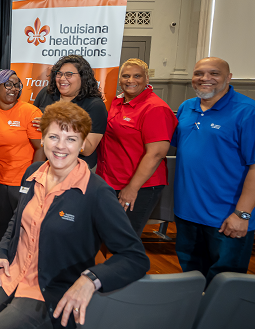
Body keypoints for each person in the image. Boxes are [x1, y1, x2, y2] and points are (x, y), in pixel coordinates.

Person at [0, 102, 150, 329]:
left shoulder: (97, 193)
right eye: (54, 137)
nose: (61, 146)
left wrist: (91, 279)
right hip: (9, 275)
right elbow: (17, 220)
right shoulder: (33, 173)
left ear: (82, 144)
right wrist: (2, 253)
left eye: (71, 139)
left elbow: (134, 257)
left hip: (48, 291)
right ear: (42, 139)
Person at [172, 57, 255, 285]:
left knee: (225, 285)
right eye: (199, 73)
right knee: (192, 279)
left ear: (229, 77)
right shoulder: (186, 108)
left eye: (214, 73)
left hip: (227, 217)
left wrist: (242, 214)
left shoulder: (248, 111)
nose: (205, 78)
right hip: (187, 214)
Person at [96, 59, 178, 237]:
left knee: (125, 240)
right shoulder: (117, 102)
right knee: (107, 235)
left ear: (147, 78)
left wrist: (132, 189)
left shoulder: (155, 108)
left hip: (138, 186)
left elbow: (156, 154)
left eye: (137, 76)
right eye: (126, 76)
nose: (130, 80)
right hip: (111, 181)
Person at [0, 70, 44, 262]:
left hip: (23, 182)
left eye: (17, 85)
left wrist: (33, 179)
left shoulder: (30, 112)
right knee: (3, 224)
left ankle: (24, 264)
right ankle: (1, 261)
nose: (13, 89)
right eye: (8, 84)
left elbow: (40, 148)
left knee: (24, 226)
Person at [32, 55, 107, 169]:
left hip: (76, 169)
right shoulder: (46, 93)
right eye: (59, 74)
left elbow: (88, 149)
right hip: (45, 164)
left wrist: (52, 126)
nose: (62, 78)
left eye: (69, 74)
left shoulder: (95, 105)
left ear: (83, 77)